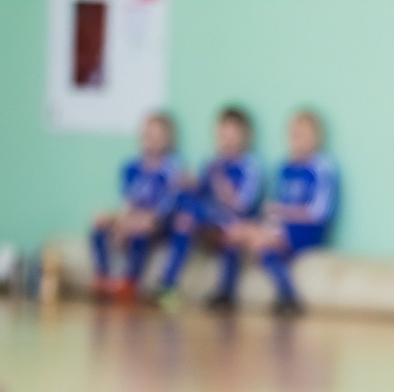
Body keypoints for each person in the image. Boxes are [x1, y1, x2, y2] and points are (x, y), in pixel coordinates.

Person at [225, 110, 338, 315]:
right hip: (283, 226)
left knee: (265, 239)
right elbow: (273, 207)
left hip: (309, 230)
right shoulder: (284, 167)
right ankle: (287, 297)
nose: (297, 138)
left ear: (316, 137)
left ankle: (288, 297)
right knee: (257, 244)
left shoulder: (322, 168)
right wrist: (264, 224)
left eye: (303, 134)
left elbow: (319, 212)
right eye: (294, 133)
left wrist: (281, 215)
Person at [158, 106, 263, 310]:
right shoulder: (211, 162)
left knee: (217, 229)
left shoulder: (250, 166)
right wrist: (191, 184)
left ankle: (225, 294)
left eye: (231, 135)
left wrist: (220, 182)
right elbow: (202, 195)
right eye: (222, 134)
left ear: (244, 136)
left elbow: (242, 205)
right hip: (207, 219)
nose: (226, 140)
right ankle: (167, 285)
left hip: (233, 220)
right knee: (185, 207)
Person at [90, 112, 184, 303]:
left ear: (168, 139)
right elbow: (128, 201)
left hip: (158, 221)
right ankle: (103, 278)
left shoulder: (173, 168)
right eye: (149, 134)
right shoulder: (130, 167)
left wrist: (143, 220)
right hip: (134, 216)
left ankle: (130, 282)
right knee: (99, 222)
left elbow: (167, 206)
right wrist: (120, 222)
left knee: (139, 230)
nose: (152, 140)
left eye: (158, 135)